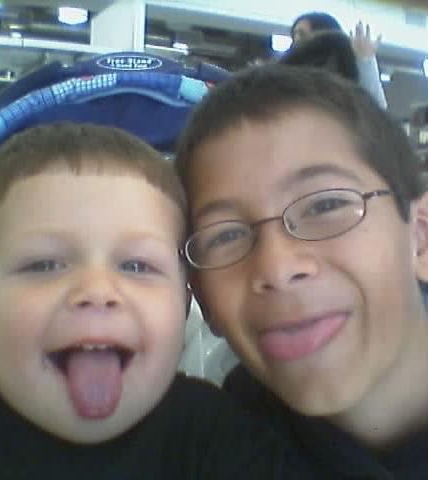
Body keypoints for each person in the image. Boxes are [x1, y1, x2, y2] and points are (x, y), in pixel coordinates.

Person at [0, 122, 280, 478]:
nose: (97, 291)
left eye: (137, 265)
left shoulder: (218, 436)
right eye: (44, 265)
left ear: (184, 308)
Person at [175, 64, 428, 477]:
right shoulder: (209, 450)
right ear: (202, 298)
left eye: (325, 205)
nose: (277, 267)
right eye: (225, 235)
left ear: (420, 237)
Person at [290, 12, 387, 109]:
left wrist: (365, 61)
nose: (297, 41)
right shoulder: (289, 74)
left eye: (302, 35)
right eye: (295, 35)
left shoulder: (344, 75)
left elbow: (375, 110)